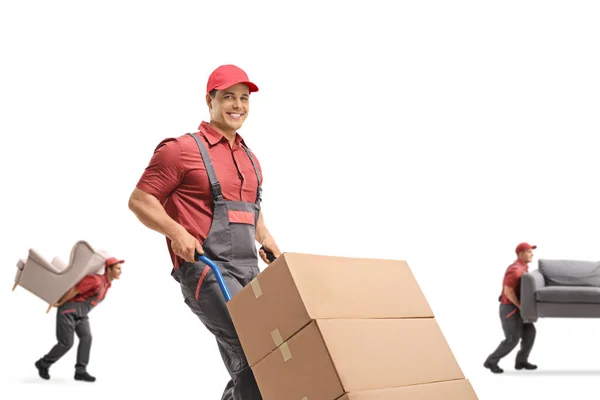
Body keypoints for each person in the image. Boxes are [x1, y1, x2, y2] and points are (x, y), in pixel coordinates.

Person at [128, 64, 281, 400]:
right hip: (206, 268)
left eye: (244, 98)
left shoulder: (250, 158)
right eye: (228, 97)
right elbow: (140, 201)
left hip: (248, 271)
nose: (238, 105)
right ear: (209, 100)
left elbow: (254, 215)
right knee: (251, 349)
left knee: (266, 349)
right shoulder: (181, 149)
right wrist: (176, 232)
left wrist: (269, 244)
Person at [35, 256, 124, 382]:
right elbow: (75, 290)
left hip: (81, 315)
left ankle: (80, 371)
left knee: (87, 337)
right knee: (66, 343)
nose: (121, 271)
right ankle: (43, 363)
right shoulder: (96, 280)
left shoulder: (106, 285)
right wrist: (60, 303)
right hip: (68, 311)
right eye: (118, 268)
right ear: (109, 269)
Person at [484, 242, 538, 374]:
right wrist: (521, 307)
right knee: (512, 339)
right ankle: (491, 361)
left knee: (530, 333)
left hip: (518, 309)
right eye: (529, 251)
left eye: (532, 251)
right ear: (520, 253)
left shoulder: (523, 268)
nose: (532, 254)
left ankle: (521, 361)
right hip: (510, 309)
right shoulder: (515, 270)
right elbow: (508, 291)